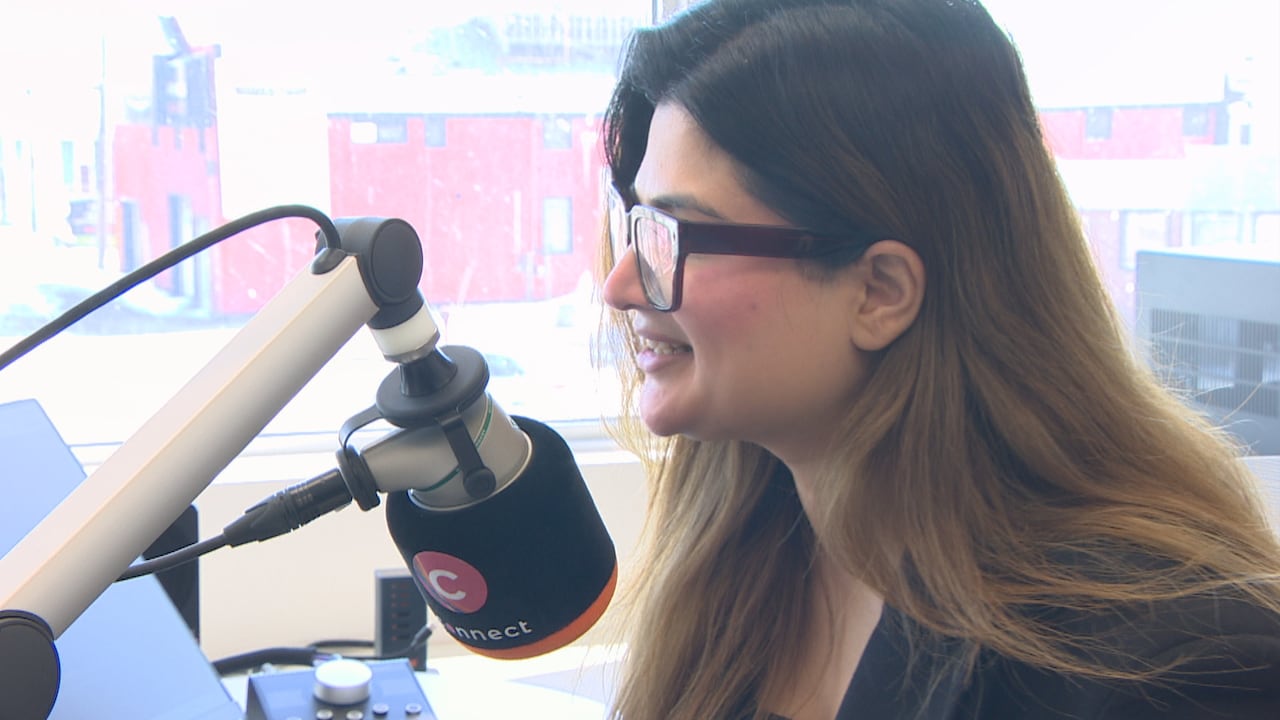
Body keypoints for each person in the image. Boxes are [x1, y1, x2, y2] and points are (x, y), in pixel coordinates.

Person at [591, 0, 1280, 718]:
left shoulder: (1178, 666)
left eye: (674, 233)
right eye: (636, 226)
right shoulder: (740, 570)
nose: (621, 285)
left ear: (879, 292)